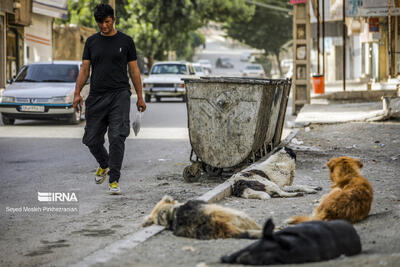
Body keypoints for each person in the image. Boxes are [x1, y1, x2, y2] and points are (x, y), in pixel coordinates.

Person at [73, 3, 146, 195]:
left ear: (113, 19)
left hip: (120, 95)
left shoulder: (126, 41)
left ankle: (114, 180)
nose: (104, 26)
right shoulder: (91, 42)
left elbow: (134, 70)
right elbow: (85, 68)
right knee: (90, 139)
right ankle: (104, 164)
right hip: (97, 96)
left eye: (107, 22)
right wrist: (77, 93)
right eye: (100, 23)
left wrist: (140, 96)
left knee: (117, 137)